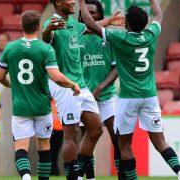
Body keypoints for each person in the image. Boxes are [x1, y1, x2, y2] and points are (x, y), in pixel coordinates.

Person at [78, 0, 180, 180]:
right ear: (145, 23)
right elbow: (159, 15)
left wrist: (81, 3)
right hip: (150, 97)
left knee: (123, 144)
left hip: (128, 98)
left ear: (127, 24)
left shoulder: (120, 38)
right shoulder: (151, 34)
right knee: (160, 141)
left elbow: (90, 25)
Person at [42, 1, 124, 179]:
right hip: (65, 86)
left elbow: (91, 27)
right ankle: (73, 176)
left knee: (96, 129)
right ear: (57, 2)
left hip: (82, 86)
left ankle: (79, 172)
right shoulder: (52, 23)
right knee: (71, 134)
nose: (73, 2)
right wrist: (47, 29)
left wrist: (110, 20)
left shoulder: (74, 24)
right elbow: (45, 38)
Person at [0, 10, 80, 180]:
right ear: (38, 27)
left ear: (21, 25)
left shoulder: (10, 48)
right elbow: (55, 77)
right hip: (42, 106)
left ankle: (26, 177)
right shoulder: (45, 48)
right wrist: (72, 84)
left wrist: (14, 85)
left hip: (20, 107)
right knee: (44, 146)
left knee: (21, 147)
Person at [77, 0, 124, 179]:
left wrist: (99, 87)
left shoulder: (108, 37)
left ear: (100, 15)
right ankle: (90, 177)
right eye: (85, 13)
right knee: (88, 140)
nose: (88, 15)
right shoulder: (75, 37)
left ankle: (122, 175)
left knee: (117, 139)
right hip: (83, 98)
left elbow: (117, 67)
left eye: (93, 13)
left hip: (106, 97)